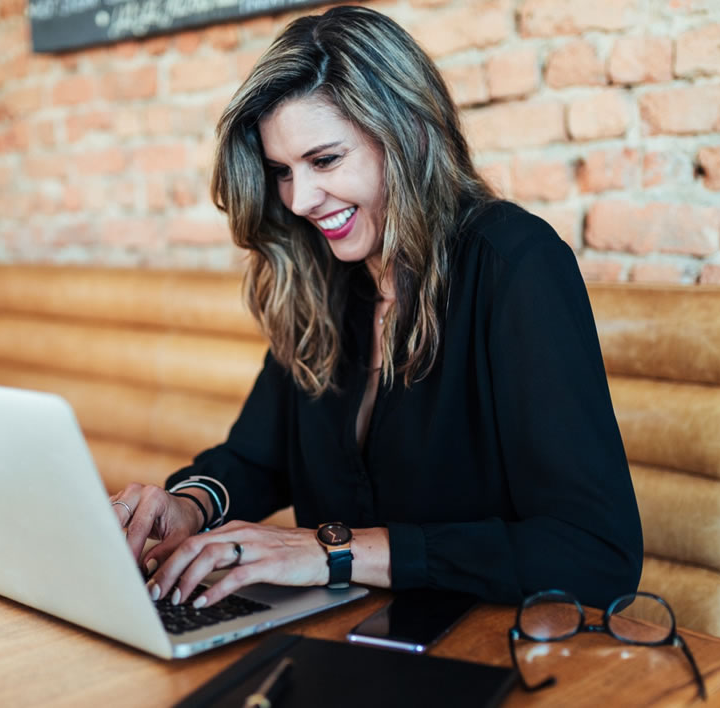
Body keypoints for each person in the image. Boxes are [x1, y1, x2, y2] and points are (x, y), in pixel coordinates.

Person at [109, 5, 643, 611]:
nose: (301, 200)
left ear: (410, 133)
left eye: (325, 160)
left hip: (482, 650)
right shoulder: (326, 277)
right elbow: (257, 458)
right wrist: (188, 504)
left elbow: (597, 553)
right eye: (282, 171)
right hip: (339, 637)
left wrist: (331, 551)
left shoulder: (516, 264)